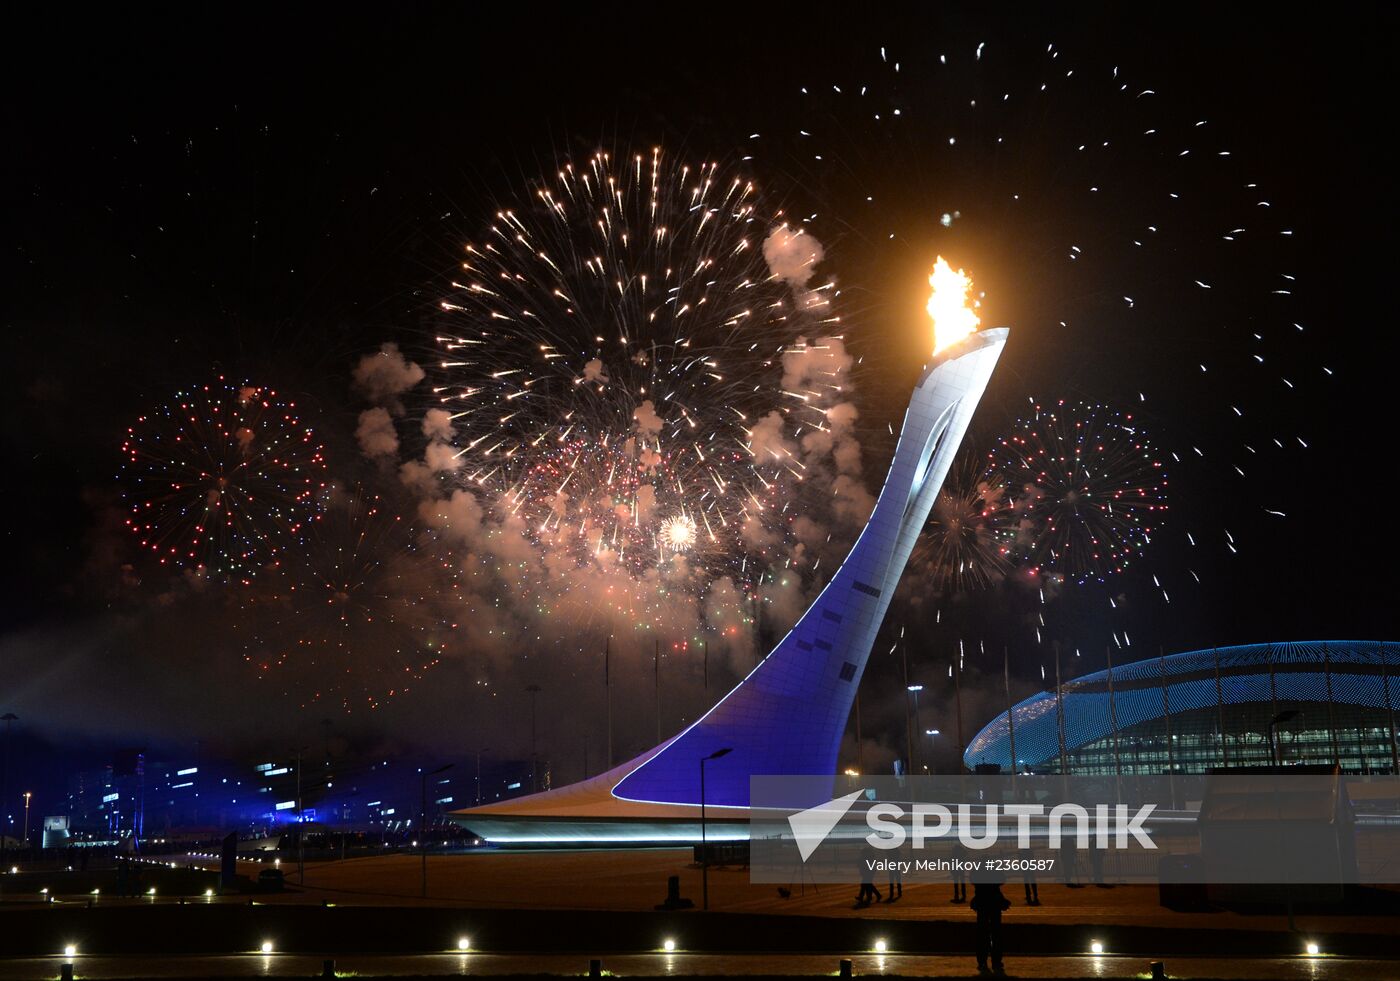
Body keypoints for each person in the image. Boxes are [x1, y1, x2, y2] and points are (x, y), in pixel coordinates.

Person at [970, 868, 1010, 976]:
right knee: (996, 933)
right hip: (994, 904)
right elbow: (1002, 880)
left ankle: (982, 961)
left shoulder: (977, 871)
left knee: (982, 933)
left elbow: (973, 880)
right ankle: (996, 961)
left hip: (982, 903)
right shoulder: (995, 872)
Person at [855, 843, 883, 908]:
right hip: (868, 872)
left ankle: (867, 897)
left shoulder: (868, 857)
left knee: (866, 885)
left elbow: (864, 865)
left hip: (868, 873)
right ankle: (874, 896)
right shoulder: (870, 857)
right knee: (867, 885)